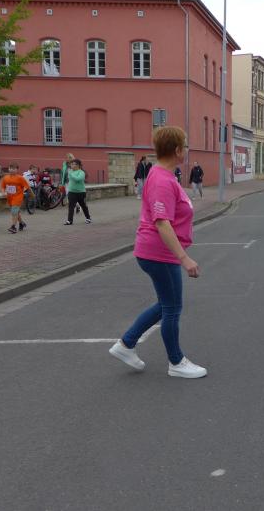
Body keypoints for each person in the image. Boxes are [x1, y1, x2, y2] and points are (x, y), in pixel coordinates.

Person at [109, 125, 206, 379]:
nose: (187, 150)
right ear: (177, 150)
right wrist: (184, 259)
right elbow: (162, 223)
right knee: (172, 308)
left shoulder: (163, 174)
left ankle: (126, 344)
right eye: (185, 146)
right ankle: (176, 362)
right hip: (160, 254)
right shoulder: (162, 180)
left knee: (165, 304)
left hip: (156, 252)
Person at [0, 162, 32, 233]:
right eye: (10, 168)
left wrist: (31, 194)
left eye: (14, 169)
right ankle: (21, 223)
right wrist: (3, 192)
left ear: (17, 170)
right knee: (16, 212)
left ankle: (13, 227)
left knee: (14, 212)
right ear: (8, 169)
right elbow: (2, 186)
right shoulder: (6, 177)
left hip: (18, 197)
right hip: (10, 198)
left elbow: (27, 187)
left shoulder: (20, 178)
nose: (12, 170)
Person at [63, 159, 91, 225]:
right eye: (71, 164)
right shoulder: (71, 172)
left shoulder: (81, 172)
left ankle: (88, 218)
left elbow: (78, 179)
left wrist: (71, 174)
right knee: (71, 206)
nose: (71, 165)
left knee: (83, 206)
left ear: (78, 165)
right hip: (72, 192)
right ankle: (69, 220)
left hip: (81, 192)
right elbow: (69, 180)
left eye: (73, 164)